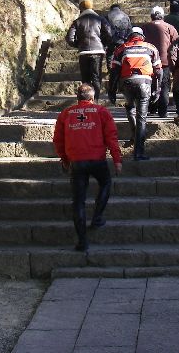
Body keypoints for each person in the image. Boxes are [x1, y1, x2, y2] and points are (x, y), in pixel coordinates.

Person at [53, 83, 122, 252]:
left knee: (78, 202)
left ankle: (82, 242)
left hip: (77, 162)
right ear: (92, 98)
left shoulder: (66, 113)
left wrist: (65, 160)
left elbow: (58, 140)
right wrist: (117, 160)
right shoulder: (101, 111)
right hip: (97, 159)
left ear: (77, 98)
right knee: (105, 183)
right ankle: (97, 217)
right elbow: (111, 137)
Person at [109, 27, 162, 160]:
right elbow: (158, 71)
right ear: (142, 36)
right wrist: (157, 90)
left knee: (130, 107)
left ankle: (134, 133)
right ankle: (139, 152)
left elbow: (114, 71)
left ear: (130, 36)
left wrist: (112, 90)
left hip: (126, 82)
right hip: (145, 83)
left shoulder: (121, 48)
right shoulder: (151, 47)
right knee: (142, 117)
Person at [66, 0, 113, 101]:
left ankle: (85, 101)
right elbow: (109, 34)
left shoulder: (77, 21)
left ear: (81, 9)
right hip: (97, 51)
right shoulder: (100, 19)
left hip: (83, 52)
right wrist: (103, 44)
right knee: (96, 77)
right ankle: (95, 101)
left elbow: (70, 38)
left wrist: (79, 45)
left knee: (85, 79)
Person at [141, 6, 179, 118]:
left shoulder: (145, 27)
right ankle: (163, 111)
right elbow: (176, 43)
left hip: (148, 61)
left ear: (151, 16)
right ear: (162, 16)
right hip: (165, 61)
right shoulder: (170, 27)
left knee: (150, 84)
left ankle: (152, 108)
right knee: (164, 86)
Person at [104, 3, 132, 69]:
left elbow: (105, 27)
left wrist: (106, 39)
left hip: (112, 38)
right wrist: (126, 38)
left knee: (110, 53)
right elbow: (130, 29)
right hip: (123, 39)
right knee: (122, 53)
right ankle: (122, 68)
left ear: (111, 9)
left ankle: (110, 68)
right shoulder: (125, 16)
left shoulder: (108, 15)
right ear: (119, 8)